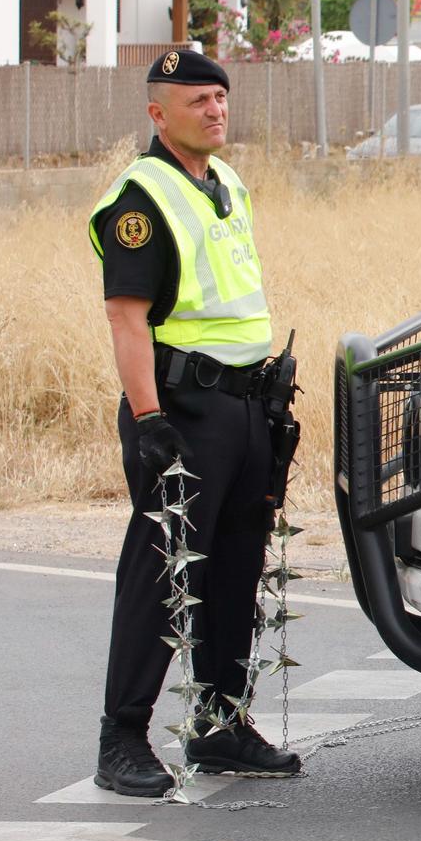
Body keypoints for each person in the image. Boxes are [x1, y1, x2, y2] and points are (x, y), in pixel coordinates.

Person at [88, 48, 303, 796]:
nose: (214, 109)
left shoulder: (227, 185)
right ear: (158, 112)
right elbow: (128, 318)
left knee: (235, 569)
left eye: (219, 96)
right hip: (180, 409)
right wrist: (149, 418)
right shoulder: (141, 198)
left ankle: (220, 724)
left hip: (244, 409)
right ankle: (122, 737)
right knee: (163, 570)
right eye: (196, 99)